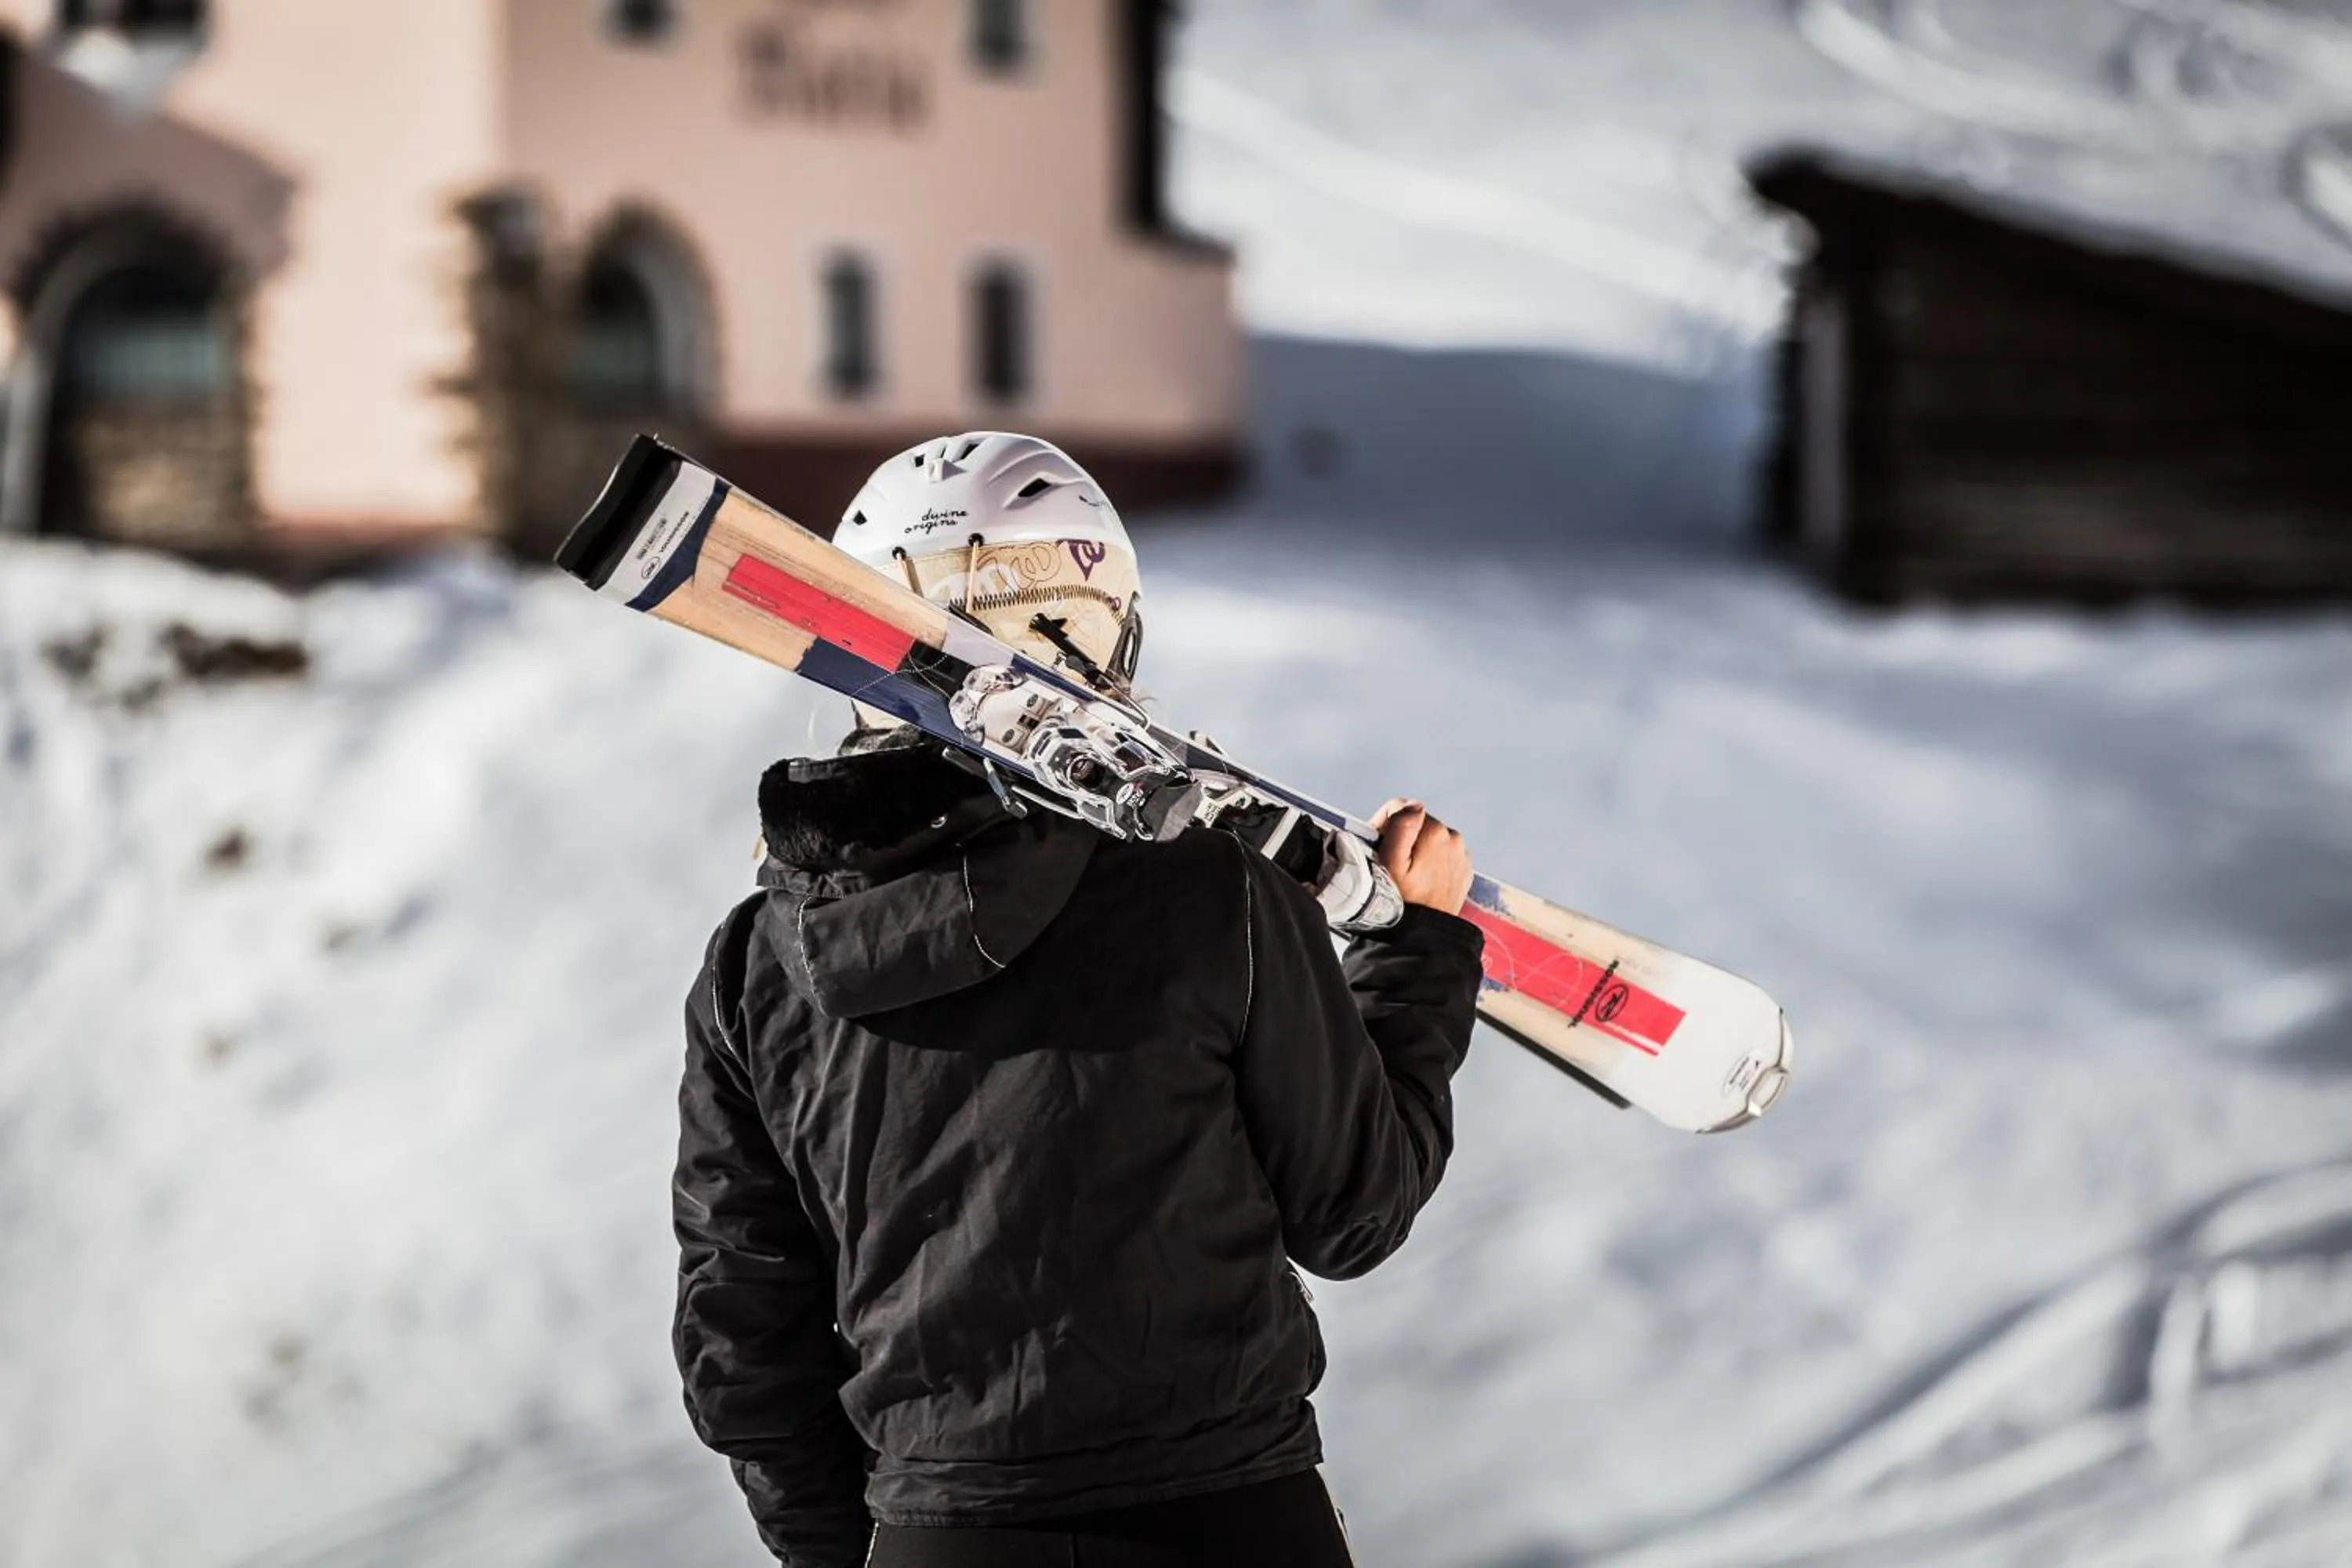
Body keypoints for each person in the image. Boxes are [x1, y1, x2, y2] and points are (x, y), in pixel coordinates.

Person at [671, 433, 1486, 1567]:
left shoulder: (757, 964)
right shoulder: (1216, 895)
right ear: (1109, 628)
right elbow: (1354, 1209)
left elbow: (745, 1338)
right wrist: (1422, 951)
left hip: (933, 1537)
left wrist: (858, 1549)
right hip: (1224, 1523)